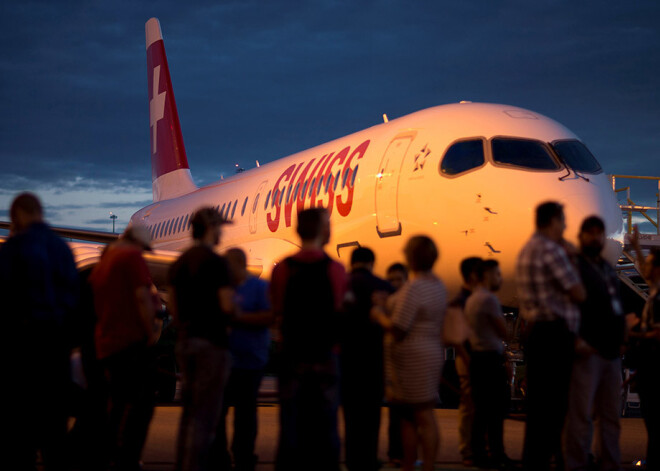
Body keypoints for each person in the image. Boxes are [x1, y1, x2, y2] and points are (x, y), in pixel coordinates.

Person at [0, 192, 79, 471]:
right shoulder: (62, 249)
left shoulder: (11, 251)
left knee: (20, 443)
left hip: (19, 359)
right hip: (56, 357)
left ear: (18, 215)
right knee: (55, 440)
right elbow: (74, 303)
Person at [270, 207, 347, 471]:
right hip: (325, 356)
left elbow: (276, 312)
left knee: (290, 425)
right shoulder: (335, 270)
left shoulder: (283, 270)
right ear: (325, 231)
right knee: (326, 427)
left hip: (292, 357)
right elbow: (340, 313)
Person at [516, 201, 586, 471]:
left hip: (536, 333)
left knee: (538, 409)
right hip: (555, 334)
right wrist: (572, 256)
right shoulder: (551, 251)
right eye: (563, 221)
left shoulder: (527, 250)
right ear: (553, 221)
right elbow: (578, 292)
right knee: (556, 408)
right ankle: (549, 459)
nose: (566, 226)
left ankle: (535, 461)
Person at [168, 207, 235, 471]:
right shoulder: (217, 263)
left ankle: (183, 463)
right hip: (211, 344)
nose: (221, 231)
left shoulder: (179, 263)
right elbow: (227, 306)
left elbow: (172, 306)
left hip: (186, 343)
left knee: (189, 412)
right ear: (210, 228)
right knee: (207, 414)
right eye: (219, 226)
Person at [372, 235, 447, 471]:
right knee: (426, 413)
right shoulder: (439, 286)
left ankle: (413, 465)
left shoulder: (414, 288)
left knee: (411, 417)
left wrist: (378, 314)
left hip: (412, 358)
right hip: (431, 352)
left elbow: (399, 328)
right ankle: (428, 464)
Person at [90, 223, 159, 471]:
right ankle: (128, 458)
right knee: (140, 406)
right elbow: (142, 297)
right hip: (130, 342)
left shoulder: (104, 263)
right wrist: (151, 332)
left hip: (108, 343)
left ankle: (107, 454)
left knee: (116, 404)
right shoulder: (130, 257)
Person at [563, 216, 626, 471]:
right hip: (587, 352)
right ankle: (577, 463)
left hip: (610, 354)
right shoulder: (574, 268)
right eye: (589, 233)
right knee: (581, 416)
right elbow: (566, 307)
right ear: (580, 237)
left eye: (599, 233)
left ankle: (609, 463)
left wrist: (621, 339)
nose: (595, 238)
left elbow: (616, 307)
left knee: (610, 416)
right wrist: (576, 340)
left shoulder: (608, 269)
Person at [212, 247, 272, 471]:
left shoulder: (259, 287)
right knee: (220, 413)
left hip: (250, 360)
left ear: (239, 264)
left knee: (245, 414)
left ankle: (244, 456)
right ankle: (220, 457)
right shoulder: (223, 287)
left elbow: (269, 317)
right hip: (226, 361)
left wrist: (239, 317)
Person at [340, 247, 394, 471]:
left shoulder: (341, 285)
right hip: (374, 360)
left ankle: (352, 459)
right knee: (372, 416)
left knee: (351, 417)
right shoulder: (384, 287)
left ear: (351, 262)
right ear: (372, 262)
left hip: (346, 360)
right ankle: (369, 459)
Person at [464, 259, 510, 468]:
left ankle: (479, 453)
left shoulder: (472, 299)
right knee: (495, 412)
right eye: (497, 274)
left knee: (481, 411)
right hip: (490, 359)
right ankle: (497, 454)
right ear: (486, 276)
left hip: (477, 358)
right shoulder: (489, 300)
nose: (499, 278)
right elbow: (503, 332)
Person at [446, 257, 482, 467]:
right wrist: (467, 359)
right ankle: (467, 450)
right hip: (468, 357)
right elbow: (457, 339)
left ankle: (477, 447)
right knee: (469, 404)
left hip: (477, 356)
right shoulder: (460, 301)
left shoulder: (476, 298)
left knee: (477, 405)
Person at [629, 226, 660, 470]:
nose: (644, 268)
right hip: (649, 368)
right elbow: (644, 268)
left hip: (655, 371)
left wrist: (631, 331)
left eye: (649, 264)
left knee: (654, 421)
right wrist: (638, 248)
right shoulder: (654, 294)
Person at [384, 262, 409, 467]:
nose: (394, 284)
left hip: (409, 365)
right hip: (394, 365)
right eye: (390, 280)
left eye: (398, 280)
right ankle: (396, 454)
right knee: (396, 413)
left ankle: (408, 455)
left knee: (410, 415)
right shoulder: (391, 302)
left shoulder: (402, 302)